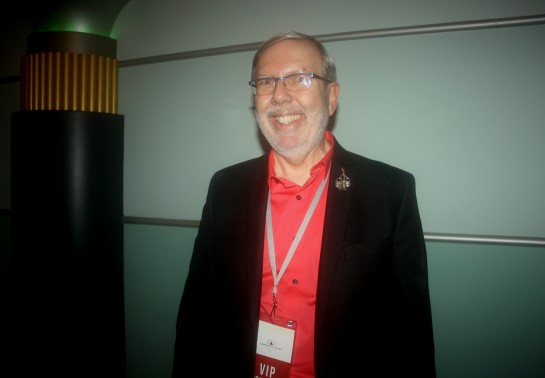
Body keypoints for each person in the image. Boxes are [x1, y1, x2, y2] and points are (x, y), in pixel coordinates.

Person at [172, 31, 436, 378]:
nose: (280, 95)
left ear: (331, 97)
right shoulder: (226, 187)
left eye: (299, 78)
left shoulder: (389, 191)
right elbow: (198, 313)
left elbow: (410, 333)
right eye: (266, 82)